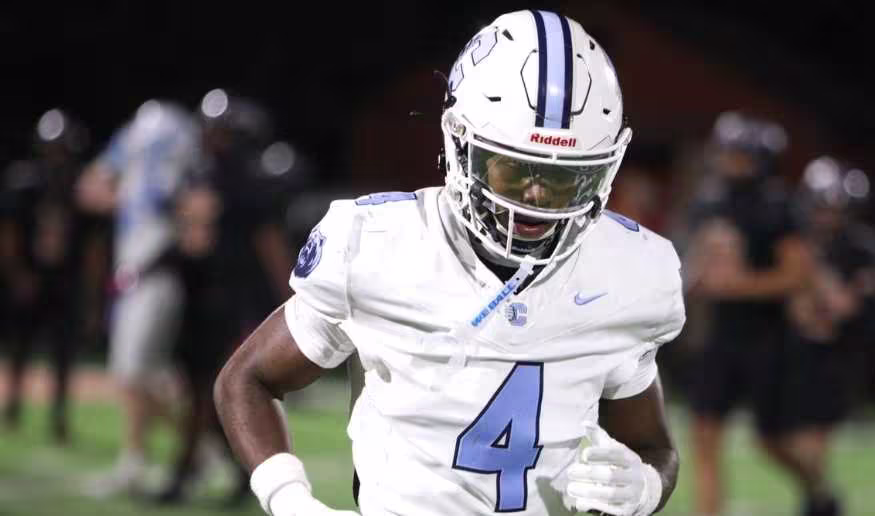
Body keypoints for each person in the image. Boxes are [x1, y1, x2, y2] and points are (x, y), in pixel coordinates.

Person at [215, 10, 685, 516]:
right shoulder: (379, 245)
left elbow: (653, 449)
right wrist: (291, 501)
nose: (536, 199)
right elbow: (247, 379)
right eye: (513, 171)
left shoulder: (629, 272)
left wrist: (644, 486)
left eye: (565, 178)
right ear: (459, 144)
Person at [154, 89, 296, 505]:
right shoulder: (196, 176)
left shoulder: (247, 181)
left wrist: (290, 294)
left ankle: (184, 474)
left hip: (231, 300)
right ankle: (241, 473)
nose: (214, 138)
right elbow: (186, 237)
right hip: (197, 297)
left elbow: (269, 243)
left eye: (221, 131)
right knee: (206, 392)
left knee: (210, 390)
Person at [684, 111, 811, 516]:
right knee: (704, 436)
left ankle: (817, 489)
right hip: (720, 337)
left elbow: (798, 276)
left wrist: (740, 285)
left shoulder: (778, 205)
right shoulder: (709, 201)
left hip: (767, 338)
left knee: (770, 441)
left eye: (739, 153)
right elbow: (698, 267)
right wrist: (692, 281)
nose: (730, 160)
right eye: (728, 152)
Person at [76, 100, 199, 497]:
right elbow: (91, 190)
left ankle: (138, 461)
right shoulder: (157, 161)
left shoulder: (164, 164)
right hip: (139, 277)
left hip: (152, 275)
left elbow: (90, 189)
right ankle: (199, 446)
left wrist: (126, 195)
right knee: (144, 377)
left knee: (133, 375)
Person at [780, 156, 875, 516]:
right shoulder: (795, 241)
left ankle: (816, 504)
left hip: (838, 352)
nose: (828, 216)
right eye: (822, 207)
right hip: (790, 348)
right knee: (777, 434)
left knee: (815, 435)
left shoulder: (864, 248)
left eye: (835, 209)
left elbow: (851, 307)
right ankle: (822, 498)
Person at [0, 109, 104, 444]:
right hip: (32, 275)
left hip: (66, 280)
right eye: (52, 148)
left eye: (62, 149)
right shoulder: (25, 183)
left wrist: (91, 294)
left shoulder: (82, 187)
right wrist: (18, 274)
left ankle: (59, 415)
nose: (57, 156)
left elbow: (94, 248)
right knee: (20, 347)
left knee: (63, 352)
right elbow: (9, 233)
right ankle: (12, 406)